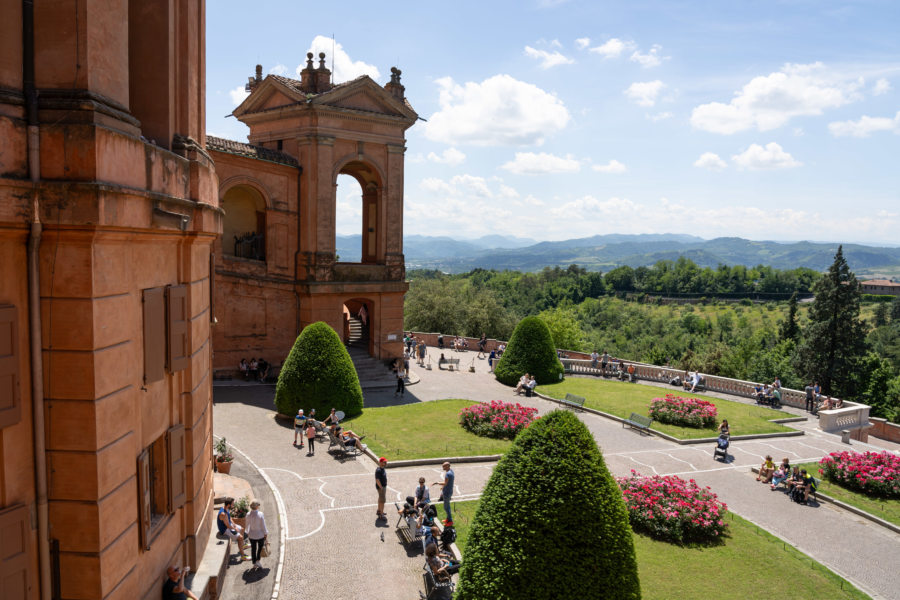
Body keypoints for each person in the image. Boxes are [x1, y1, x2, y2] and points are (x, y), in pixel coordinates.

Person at [245, 500, 269, 570]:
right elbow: (263, 525)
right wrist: (265, 533)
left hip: (251, 535)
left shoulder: (248, 514)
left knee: (253, 548)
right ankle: (258, 560)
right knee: (260, 548)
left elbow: (247, 525)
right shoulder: (260, 514)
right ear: (256, 507)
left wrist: (248, 532)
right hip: (260, 535)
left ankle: (254, 562)